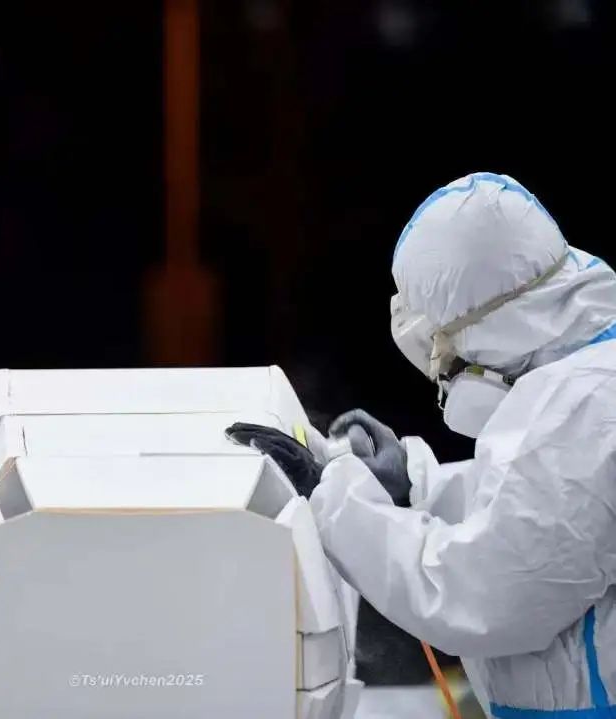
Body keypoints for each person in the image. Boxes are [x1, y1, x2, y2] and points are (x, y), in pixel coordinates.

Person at [228, 172, 616, 717]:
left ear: (478, 327)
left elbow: (483, 595)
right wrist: (414, 487)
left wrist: (337, 504)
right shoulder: (583, 379)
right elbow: (537, 508)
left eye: (443, 347)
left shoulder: (583, 405)